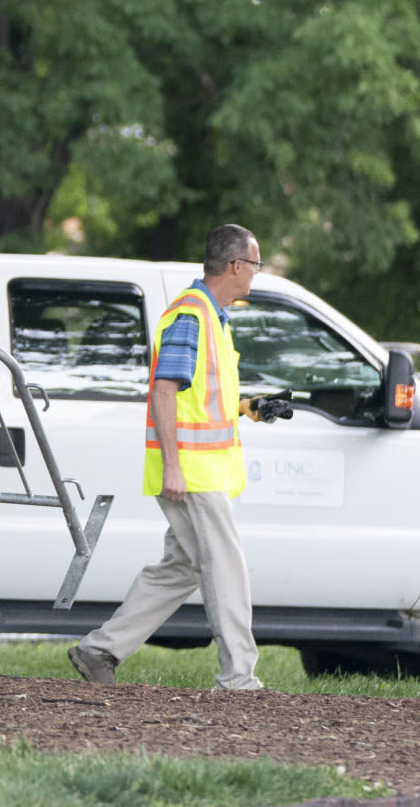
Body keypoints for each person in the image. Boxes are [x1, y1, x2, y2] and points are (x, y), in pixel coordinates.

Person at [69, 223, 271, 691]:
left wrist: (248, 408)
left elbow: (198, 398)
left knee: (182, 568)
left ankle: (99, 651)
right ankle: (239, 676)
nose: (256, 273)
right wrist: (175, 468)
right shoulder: (191, 317)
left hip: (200, 470)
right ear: (236, 265)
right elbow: (163, 391)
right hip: (193, 474)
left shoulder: (211, 316)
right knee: (225, 565)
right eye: (255, 264)